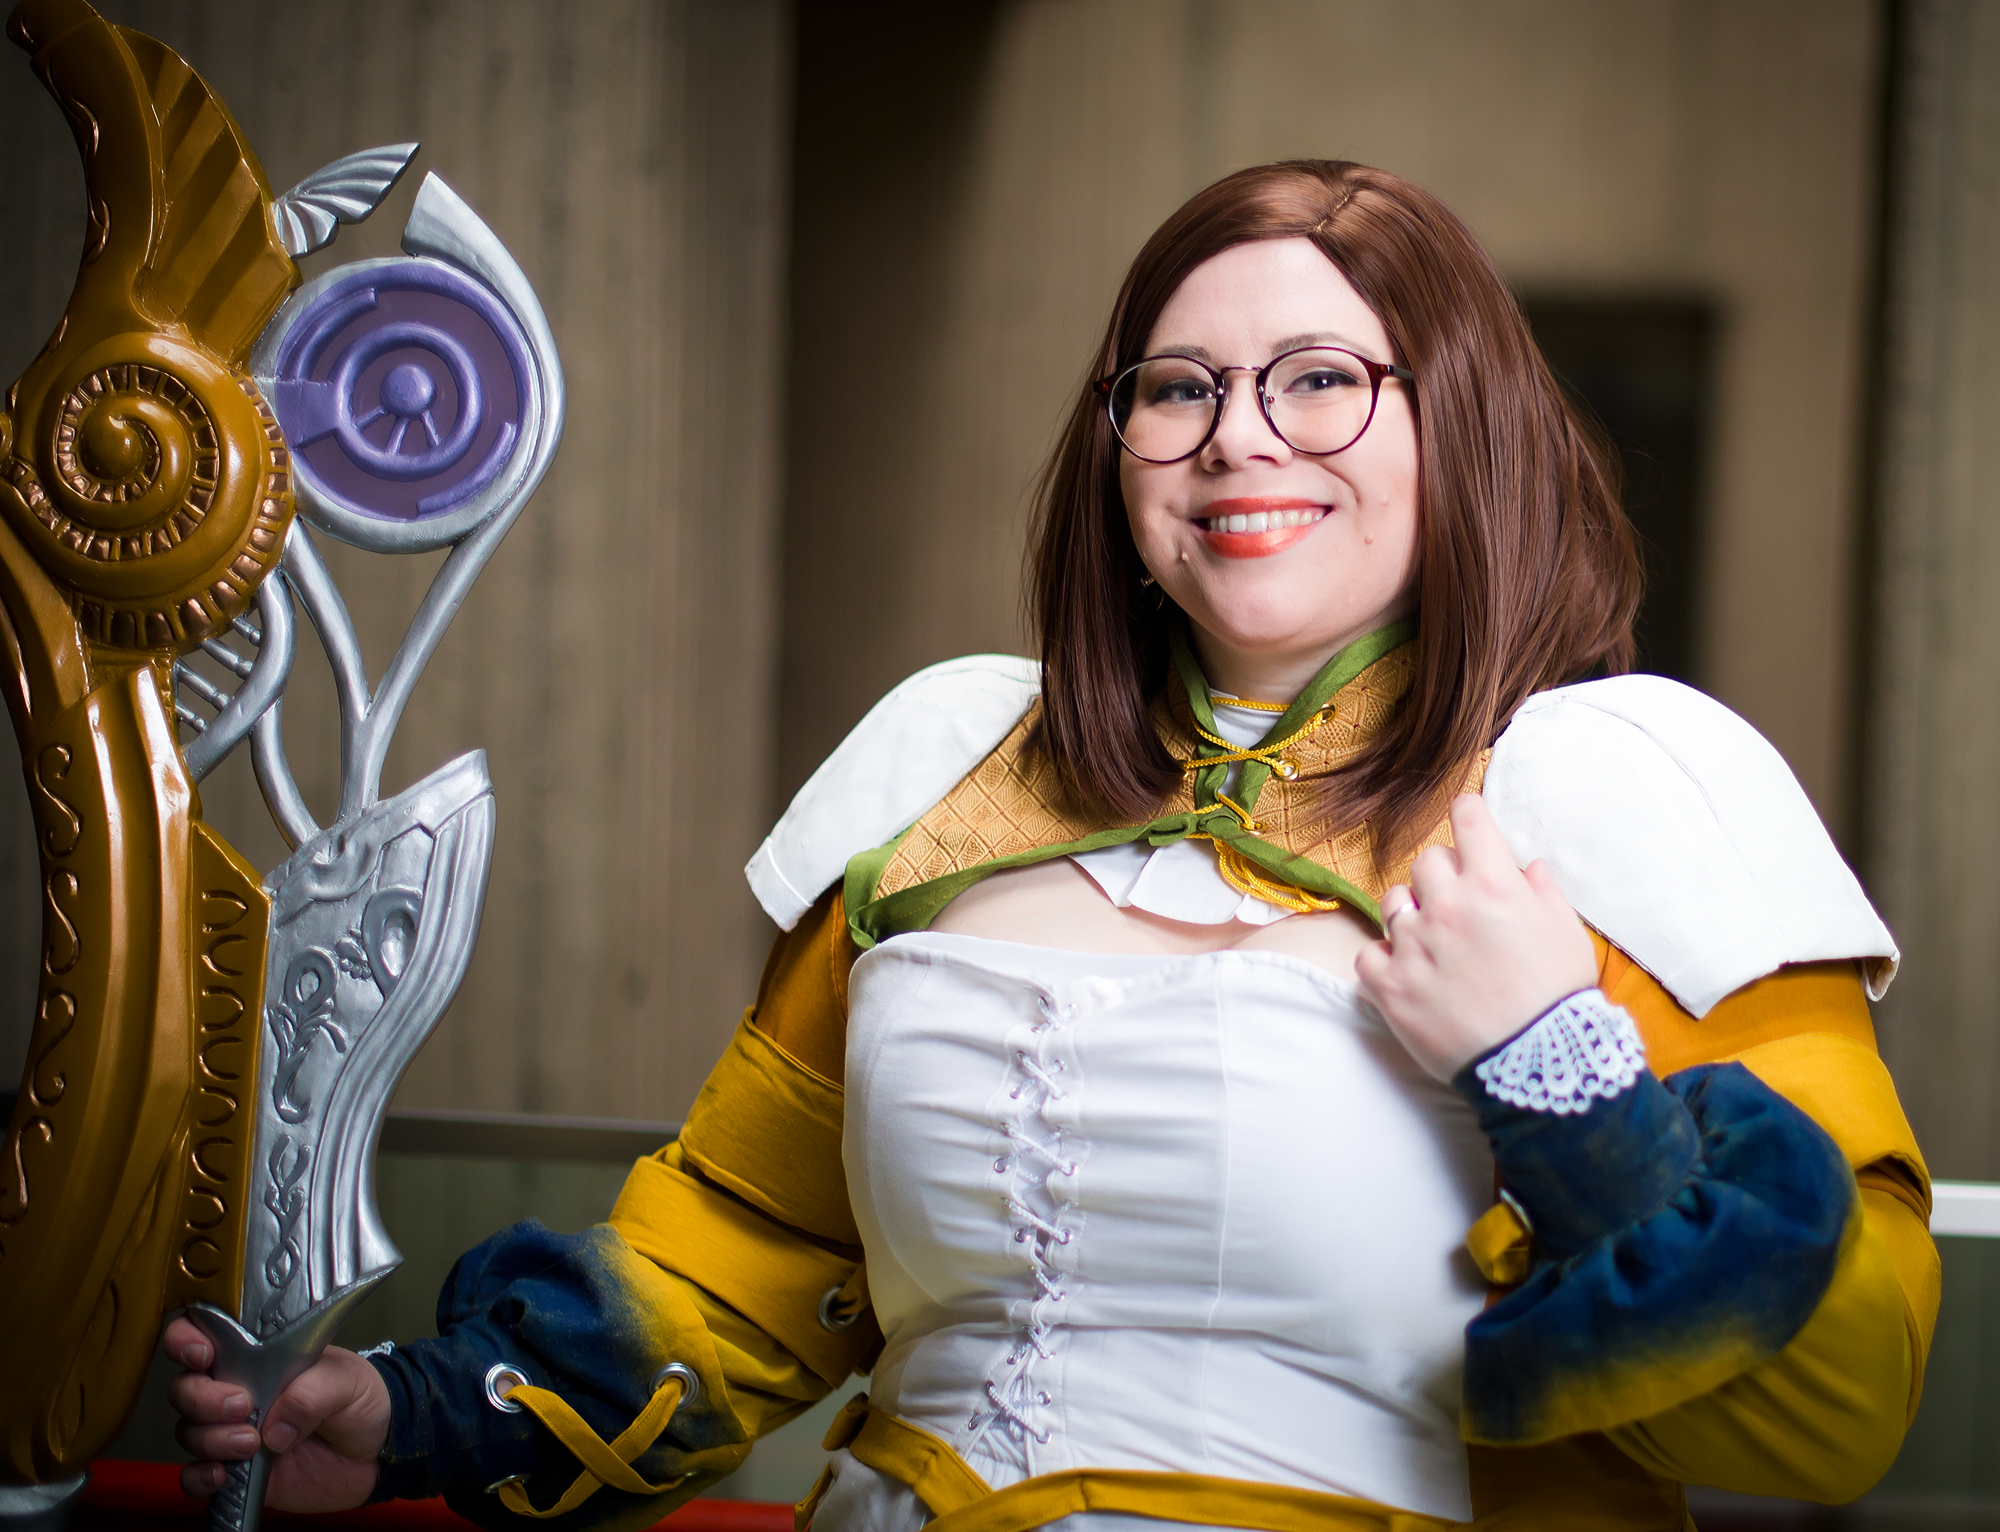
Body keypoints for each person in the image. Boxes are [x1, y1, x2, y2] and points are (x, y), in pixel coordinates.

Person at [165, 160, 1936, 1531]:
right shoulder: (953, 769)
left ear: (1456, 421)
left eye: (1322, 380)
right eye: (1176, 389)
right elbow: (746, 1257)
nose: (1240, 438)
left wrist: (1555, 1069)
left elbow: (1839, 1399)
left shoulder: (1613, 795)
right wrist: (419, 1413)